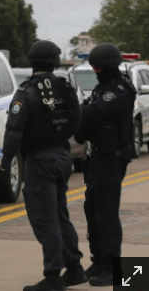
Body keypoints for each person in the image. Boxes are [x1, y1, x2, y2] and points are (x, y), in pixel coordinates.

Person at [0, 40, 87, 291]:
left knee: (44, 219)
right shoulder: (64, 87)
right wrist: (61, 137)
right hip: (62, 156)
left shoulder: (26, 92)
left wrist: (6, 162)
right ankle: (75, 269)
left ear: (32, 62)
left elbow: (13, 132)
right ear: (55, 61)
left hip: (39, 160)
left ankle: (52, 276)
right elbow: (77, 119)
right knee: (61, 215)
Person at [74, 42, 135, 286]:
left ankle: (112, 265)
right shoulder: (101, 88)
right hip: (98, 156)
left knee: (107, 211)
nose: (96, 72)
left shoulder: (119, 90)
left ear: (109, 66)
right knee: (93, 209)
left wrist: (75, 112)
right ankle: (99, 259)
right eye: (94, 68)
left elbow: (93, 112)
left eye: (99, 68)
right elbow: (88, 111)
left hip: (113, 157)